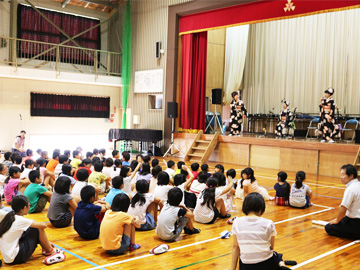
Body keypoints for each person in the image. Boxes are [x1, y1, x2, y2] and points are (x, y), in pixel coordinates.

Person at [231, 193, 294, 270]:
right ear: (261, 208)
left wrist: (232, 269)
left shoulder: (237, 222)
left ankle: (281, 264)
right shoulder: (268, 223)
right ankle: (281, 265)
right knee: (276, 255)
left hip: (246, 266)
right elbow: (271, 247)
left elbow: (235, 247)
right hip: (266, 264)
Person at [0, 195, 65, 265]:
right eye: (29, 205)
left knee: (31, 229)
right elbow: (43, 225)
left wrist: (46, 242)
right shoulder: (20, 220)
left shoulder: (10, 215)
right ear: (25, 208)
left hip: (7, 257)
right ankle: (50, 250)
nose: (29, 206)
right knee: (37, 228)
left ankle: (46, 247)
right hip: (14, 258)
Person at [325, 164, 360, 239]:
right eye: (341, 175)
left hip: (355, 222)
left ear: (351, 176)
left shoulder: (350, 189)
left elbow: (343, 209)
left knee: (329, 227)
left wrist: (337, 220)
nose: (341, 177)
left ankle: (356, 234)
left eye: (343, 175)